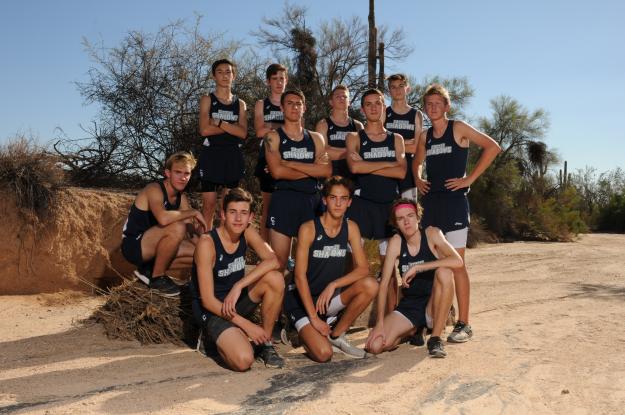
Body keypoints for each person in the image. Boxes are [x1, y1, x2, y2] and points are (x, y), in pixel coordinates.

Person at [413, 83, 501, 343]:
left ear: (447, 106)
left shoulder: (458, 128)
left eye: (438, 103)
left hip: (454, 203)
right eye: (428, 104)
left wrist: (469, 178)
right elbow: (417, 163)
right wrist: (418, 179)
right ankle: (432, 318)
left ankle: (464, 323)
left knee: (457, 264)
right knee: (432, 264)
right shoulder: (425, 136)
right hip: (431, 205)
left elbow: (492, 147)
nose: (433, 108)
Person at [191, 188, 285, 371]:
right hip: (212, 310)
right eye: (233, 212)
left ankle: (264, 344)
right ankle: (209, 337)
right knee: (243, 361)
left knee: (275, 279)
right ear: (223, 215)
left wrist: (239, 285)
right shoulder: (207, 244)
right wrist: (248, 326)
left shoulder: (247, 232)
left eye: (243, 213)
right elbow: (208, 301)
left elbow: (274, 260)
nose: (238, 219)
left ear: (250, 217)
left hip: (233, 302)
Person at [284, 176, 378, 361]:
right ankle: (296, 330)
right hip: (302, 301)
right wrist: (314, 319)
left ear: (349, 202)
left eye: (343, 199)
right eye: (333, 198)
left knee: (371, 285)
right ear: (325, 200)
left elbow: (363, 269)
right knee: (324, 354)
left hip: (327, 299)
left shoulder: (351, 227)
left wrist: (334, 284)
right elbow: (300, 276)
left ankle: (337, 335)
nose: (338, 203)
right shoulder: (309, 229)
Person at [365, 199, 463, 357]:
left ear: (418, 217)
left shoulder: (432, 234)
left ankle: (435, 338)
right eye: (400, 218)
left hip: (433, 303)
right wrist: (380, 324)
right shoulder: (396, 243)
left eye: (410, 215)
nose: (406, 221)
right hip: (410, 307)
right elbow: (383, 285)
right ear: (396, 223)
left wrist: (418, 267)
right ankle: (413, 329)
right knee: (375, 346)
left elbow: (458, 261)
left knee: (444, 271)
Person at [345, 88, 406, 312]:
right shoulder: (354, 137)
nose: (373, 107)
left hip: (388, 207)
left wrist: (368, 166)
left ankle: (391, 318)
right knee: (355, 267)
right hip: (362, 206)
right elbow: (354, 167)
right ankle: (347, 318)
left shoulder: (396, 139)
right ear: (362, 109)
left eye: (377, 103)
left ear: (384, 107)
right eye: (368, 104)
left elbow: (401, 173)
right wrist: (388, 164)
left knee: (389, 269)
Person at [264, 89, 332, 272]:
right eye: (290, 103)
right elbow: (277, 172)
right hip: (283, 201)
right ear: (282, 108)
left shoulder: (316, 138)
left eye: (298, 103)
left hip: (311, 201)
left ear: (304, 108)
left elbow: (326, 170)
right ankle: (276, 300)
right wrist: (312, 169)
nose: (294, 107)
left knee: (311, 263)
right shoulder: (272, 137)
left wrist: (291, 164)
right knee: (279, 263)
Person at [121, 151, 207, 297]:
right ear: (167, 173)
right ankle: (157, 278)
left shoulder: (182, 198)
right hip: (134, 245)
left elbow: (191, 233)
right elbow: (163, 219)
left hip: (155, 244)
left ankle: (148, 270)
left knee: (200, 253)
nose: (183, 177)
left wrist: (208, 246)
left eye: (187, 173)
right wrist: (194, 212)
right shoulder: (154, 189)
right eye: (178, 172)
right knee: (177, 227)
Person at [198, 58, 248, 229]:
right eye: (220, 72)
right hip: (211, 155)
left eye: (228, 72)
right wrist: (232, 127)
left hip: (232, 156)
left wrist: (219, 123)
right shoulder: (207, 99)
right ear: (213, 76)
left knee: (229, 207)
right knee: (209, 206)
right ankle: (203, 247)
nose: (225, 75)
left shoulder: (240, 104)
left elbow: (242, 133)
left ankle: (224, 249)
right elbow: (204, 130)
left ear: (234, 76)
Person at [254, 63, 288, 242]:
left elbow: (298, 131)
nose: (279, 82)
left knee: (287, 208)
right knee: (267, 208)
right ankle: (264, 253)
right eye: (275, 78)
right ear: (268, 81)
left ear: (286, 80)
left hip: (290, 159)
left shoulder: (292, 103)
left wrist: (271, 127)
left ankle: (287, 256)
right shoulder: (262, 104)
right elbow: (259, 131)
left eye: (282, 78)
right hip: (266, 158)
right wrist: (284, 127)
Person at [385, 74, 423, 202]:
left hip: (409, 171)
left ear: (408, 89)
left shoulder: (416, 114)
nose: (397, 90)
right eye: (393, 87)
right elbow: (378, 145)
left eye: (401, 86)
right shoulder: (384, 113)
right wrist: (406, 142)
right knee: (387, 212)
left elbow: (416, 148)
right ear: (389, 91)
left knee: (409, 210)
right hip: (387, 168)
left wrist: (391, 144)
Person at [315, 85, 364, 178]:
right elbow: (322, 154)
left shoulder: (358, 125)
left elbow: (361, 152)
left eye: (345, 96)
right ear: (331, 102)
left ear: (349, 102)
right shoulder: (323, 125)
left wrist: (333, 150)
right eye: (337, 96)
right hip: (330, 176)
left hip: (352, 176)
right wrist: (350, 152)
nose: (341, 98)